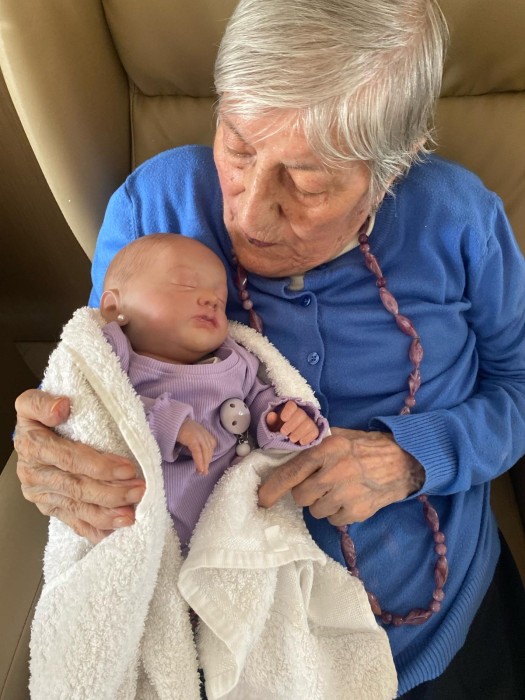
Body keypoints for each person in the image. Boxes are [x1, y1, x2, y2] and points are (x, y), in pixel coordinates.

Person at [13, 0, 525, 697]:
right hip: (232, 644)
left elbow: (516, 384)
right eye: (237, 148)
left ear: (391, 169)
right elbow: (97, 383)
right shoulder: (155, 208)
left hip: (435, 623)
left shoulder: (459, 220)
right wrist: (54, 451)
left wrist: (410, 459)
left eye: (307, 182)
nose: (249, 213)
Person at [99, 232, 327, 550]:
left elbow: (260, 399)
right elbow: (99, 408)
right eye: (185, 284)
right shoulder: (114, 357)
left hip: (229, 526)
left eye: (220, 299)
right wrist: (171, 424)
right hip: (145, 527)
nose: (210, 300)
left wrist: (282, 420)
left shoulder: (235, 360)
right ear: (114, 307)